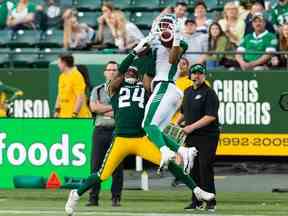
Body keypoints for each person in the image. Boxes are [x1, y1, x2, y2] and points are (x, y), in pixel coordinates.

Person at [64, 49, 215, 216]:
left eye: (133, 72)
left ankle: (197, 190)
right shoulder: (114, 89)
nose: (130, 73)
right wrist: (132, 55)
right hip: (121, 139)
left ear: (138, 76)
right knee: (102, 174)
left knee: (169, 163)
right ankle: (76, 194)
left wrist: (148, 57)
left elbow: (150, 78)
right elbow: (119, 73)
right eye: (128, 71)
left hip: (141, 138)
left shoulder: (145, 89)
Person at [142, 14, 197, 174]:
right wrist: (149, 39)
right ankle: (183, 151)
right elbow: (145, 70)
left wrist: (175, 38)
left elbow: (173, 59)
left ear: (174, 27)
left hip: (166, 86)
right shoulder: (154, 47)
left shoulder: (180, 42)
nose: (165, 28)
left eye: (168, 25)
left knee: (148, 125)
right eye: (163, 24)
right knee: (154, 132)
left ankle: (166, 152)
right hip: (163, 89)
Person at [177, 64, 220, 212]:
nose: (197, 76)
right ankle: (196, 201)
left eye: (200, 73)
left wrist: (191, 127)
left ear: (204, 76)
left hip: (208, 136)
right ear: (190, 75)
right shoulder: (187, 91)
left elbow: (210, 116)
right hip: (192, 136)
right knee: (192, 169)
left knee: (205, 167)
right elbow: (184, 112)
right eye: (194, 73)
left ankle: (211, 201)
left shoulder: (209, 93)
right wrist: (176, 123)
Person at [87, 61, 123, 207]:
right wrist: (112, 109)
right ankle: (93, 198)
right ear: (105, 72)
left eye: (115, 70)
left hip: (117, 132)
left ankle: (116, 198)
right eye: (109, 69)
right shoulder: (97, 89)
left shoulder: (124, 90)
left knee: (117, 166)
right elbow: (94, 107)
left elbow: (123, 111)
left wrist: (105, 110)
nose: (112, 72)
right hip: (100, 130)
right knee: (95, 165)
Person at [54, 53, 91, 118]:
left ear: (64, 63)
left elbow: (80, 98)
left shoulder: (77, 76)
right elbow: (59, 95)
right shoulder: (61, 76)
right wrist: (57, 111)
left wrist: (74, 115)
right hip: (63, 116)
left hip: (78, 117)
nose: (58, 65)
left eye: (59, 62)